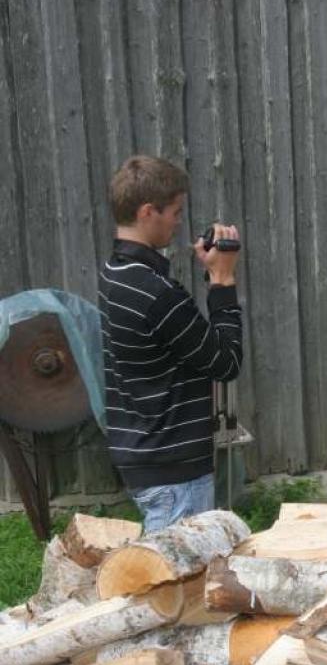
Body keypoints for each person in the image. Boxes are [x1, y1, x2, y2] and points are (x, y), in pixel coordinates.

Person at [100, 155, 243, 532]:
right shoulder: (156, 293)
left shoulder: (116, 274)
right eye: (176, 212)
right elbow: (226, 362)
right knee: (179, 584)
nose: (179, 222)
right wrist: (222, 281)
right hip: (174, 472)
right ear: (149, 211)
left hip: (144, 452)